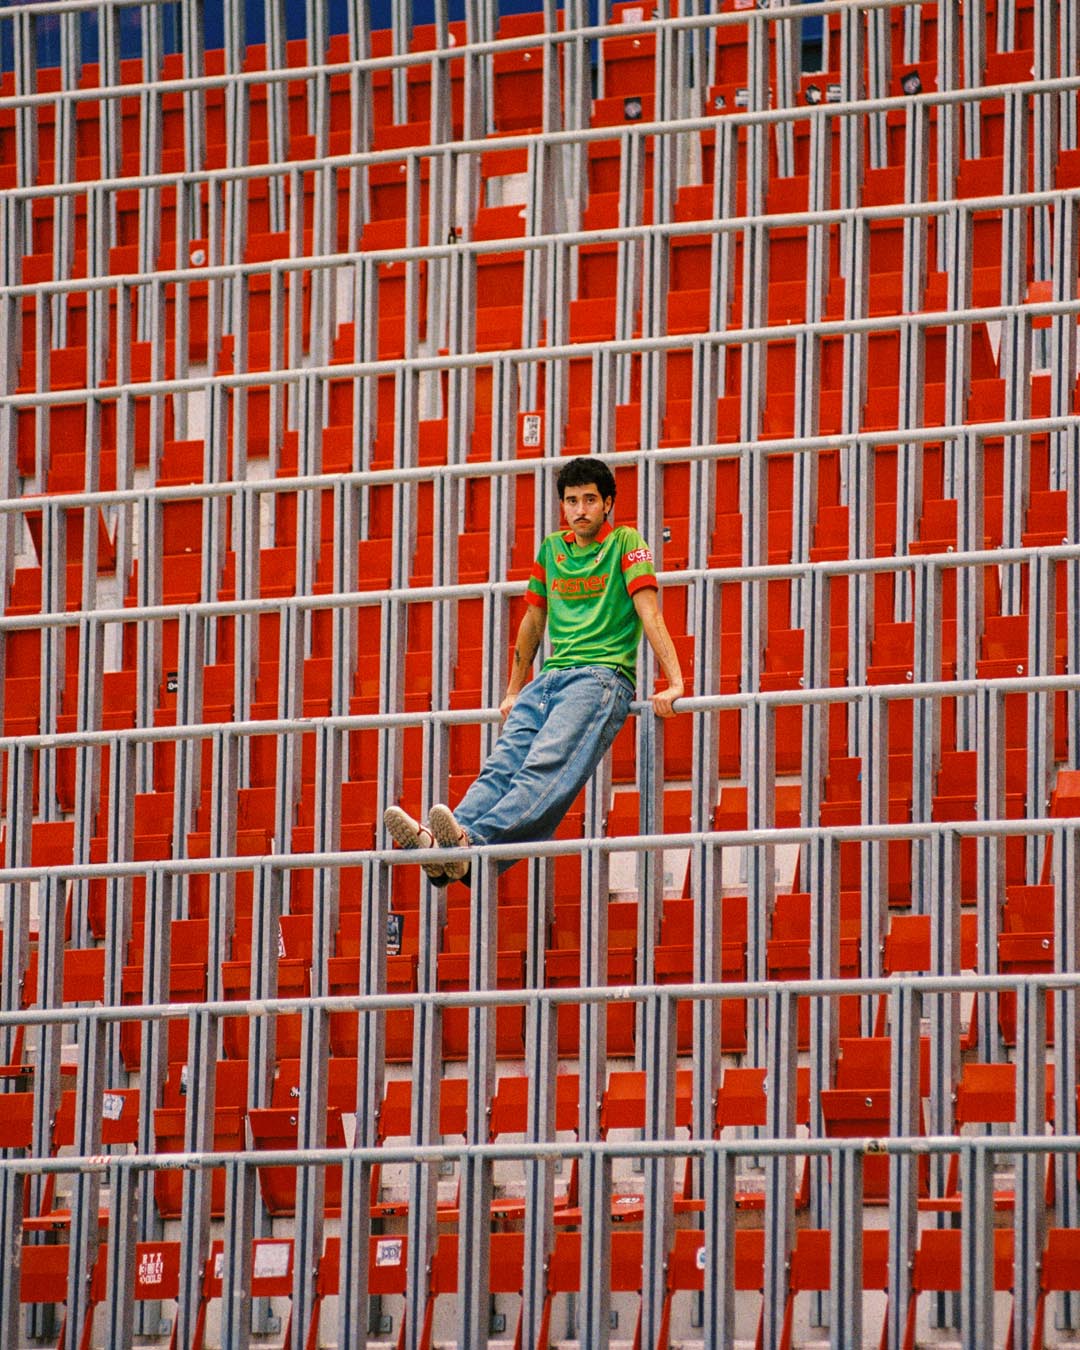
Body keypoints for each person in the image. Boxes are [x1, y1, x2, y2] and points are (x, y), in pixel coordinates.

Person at [384, 455, 684, 884]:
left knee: (541, 768)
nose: (580, 510)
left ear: (608, 504)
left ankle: (471, 845)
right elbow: (532, 622)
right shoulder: (551, 549)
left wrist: (674, 682)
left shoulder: (626, 542)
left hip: (600, 677)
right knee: (500, 765)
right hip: (548, 679)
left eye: (589, 500)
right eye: (571, 501)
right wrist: (512, 690)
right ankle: (441, 848)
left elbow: (649, 612)